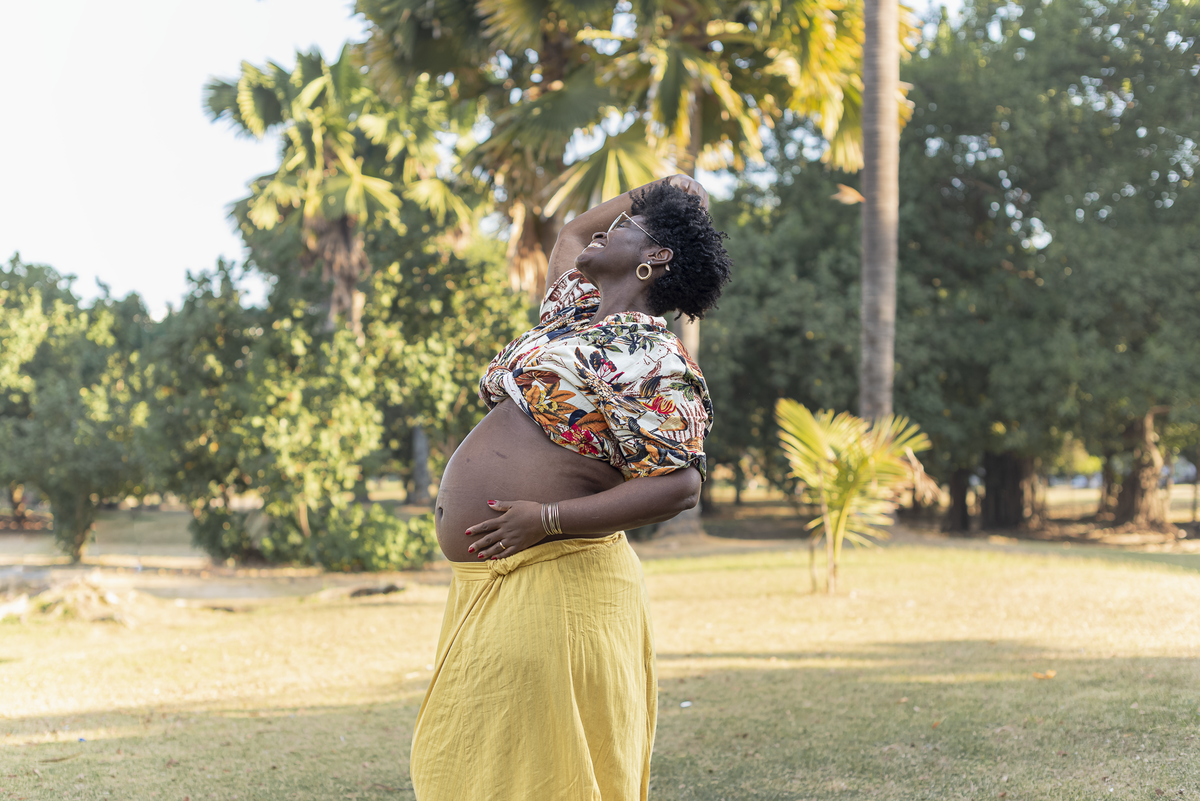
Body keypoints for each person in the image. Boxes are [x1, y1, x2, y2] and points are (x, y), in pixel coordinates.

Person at [409, 175, 732, 800]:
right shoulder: (572, 315)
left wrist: (548, 518)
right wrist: (657, 193)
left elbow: (681, 485)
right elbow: (576, 232)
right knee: (476, 762)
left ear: (654, 258)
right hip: (500, 580)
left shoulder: (655, 356)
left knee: (538, 773)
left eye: (632, 227)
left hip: (557, 577)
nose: (613, 224)